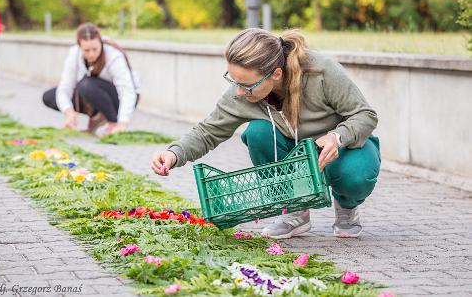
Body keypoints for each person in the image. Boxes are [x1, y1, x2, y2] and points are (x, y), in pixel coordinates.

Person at [151, 28, 380, 239]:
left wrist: (337, 136)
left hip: (339, 149)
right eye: (234, 81)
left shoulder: (320, 71)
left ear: (276, 74)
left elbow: (365, 114)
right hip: (292, 151)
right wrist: (174, 154)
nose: (239, 91)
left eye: (247, 85)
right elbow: (207, 131)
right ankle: (294, 210)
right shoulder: (243, 90)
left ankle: (347, 208)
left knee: (355, 174)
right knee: (257, 133)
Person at [42, 23, 139, 134]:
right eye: (86, 50)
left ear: (101, 43)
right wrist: (69, 112)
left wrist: (122, 123)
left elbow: (127, 91)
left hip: (117, 97)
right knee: (49, 96)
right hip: (91, 92)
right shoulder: (74, 54)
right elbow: (65, 87)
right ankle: (97, 116)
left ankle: (113, 122)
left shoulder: (114, 55)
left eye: (95, 49)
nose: (91, 54)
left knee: (86, 85)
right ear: (79, 46)